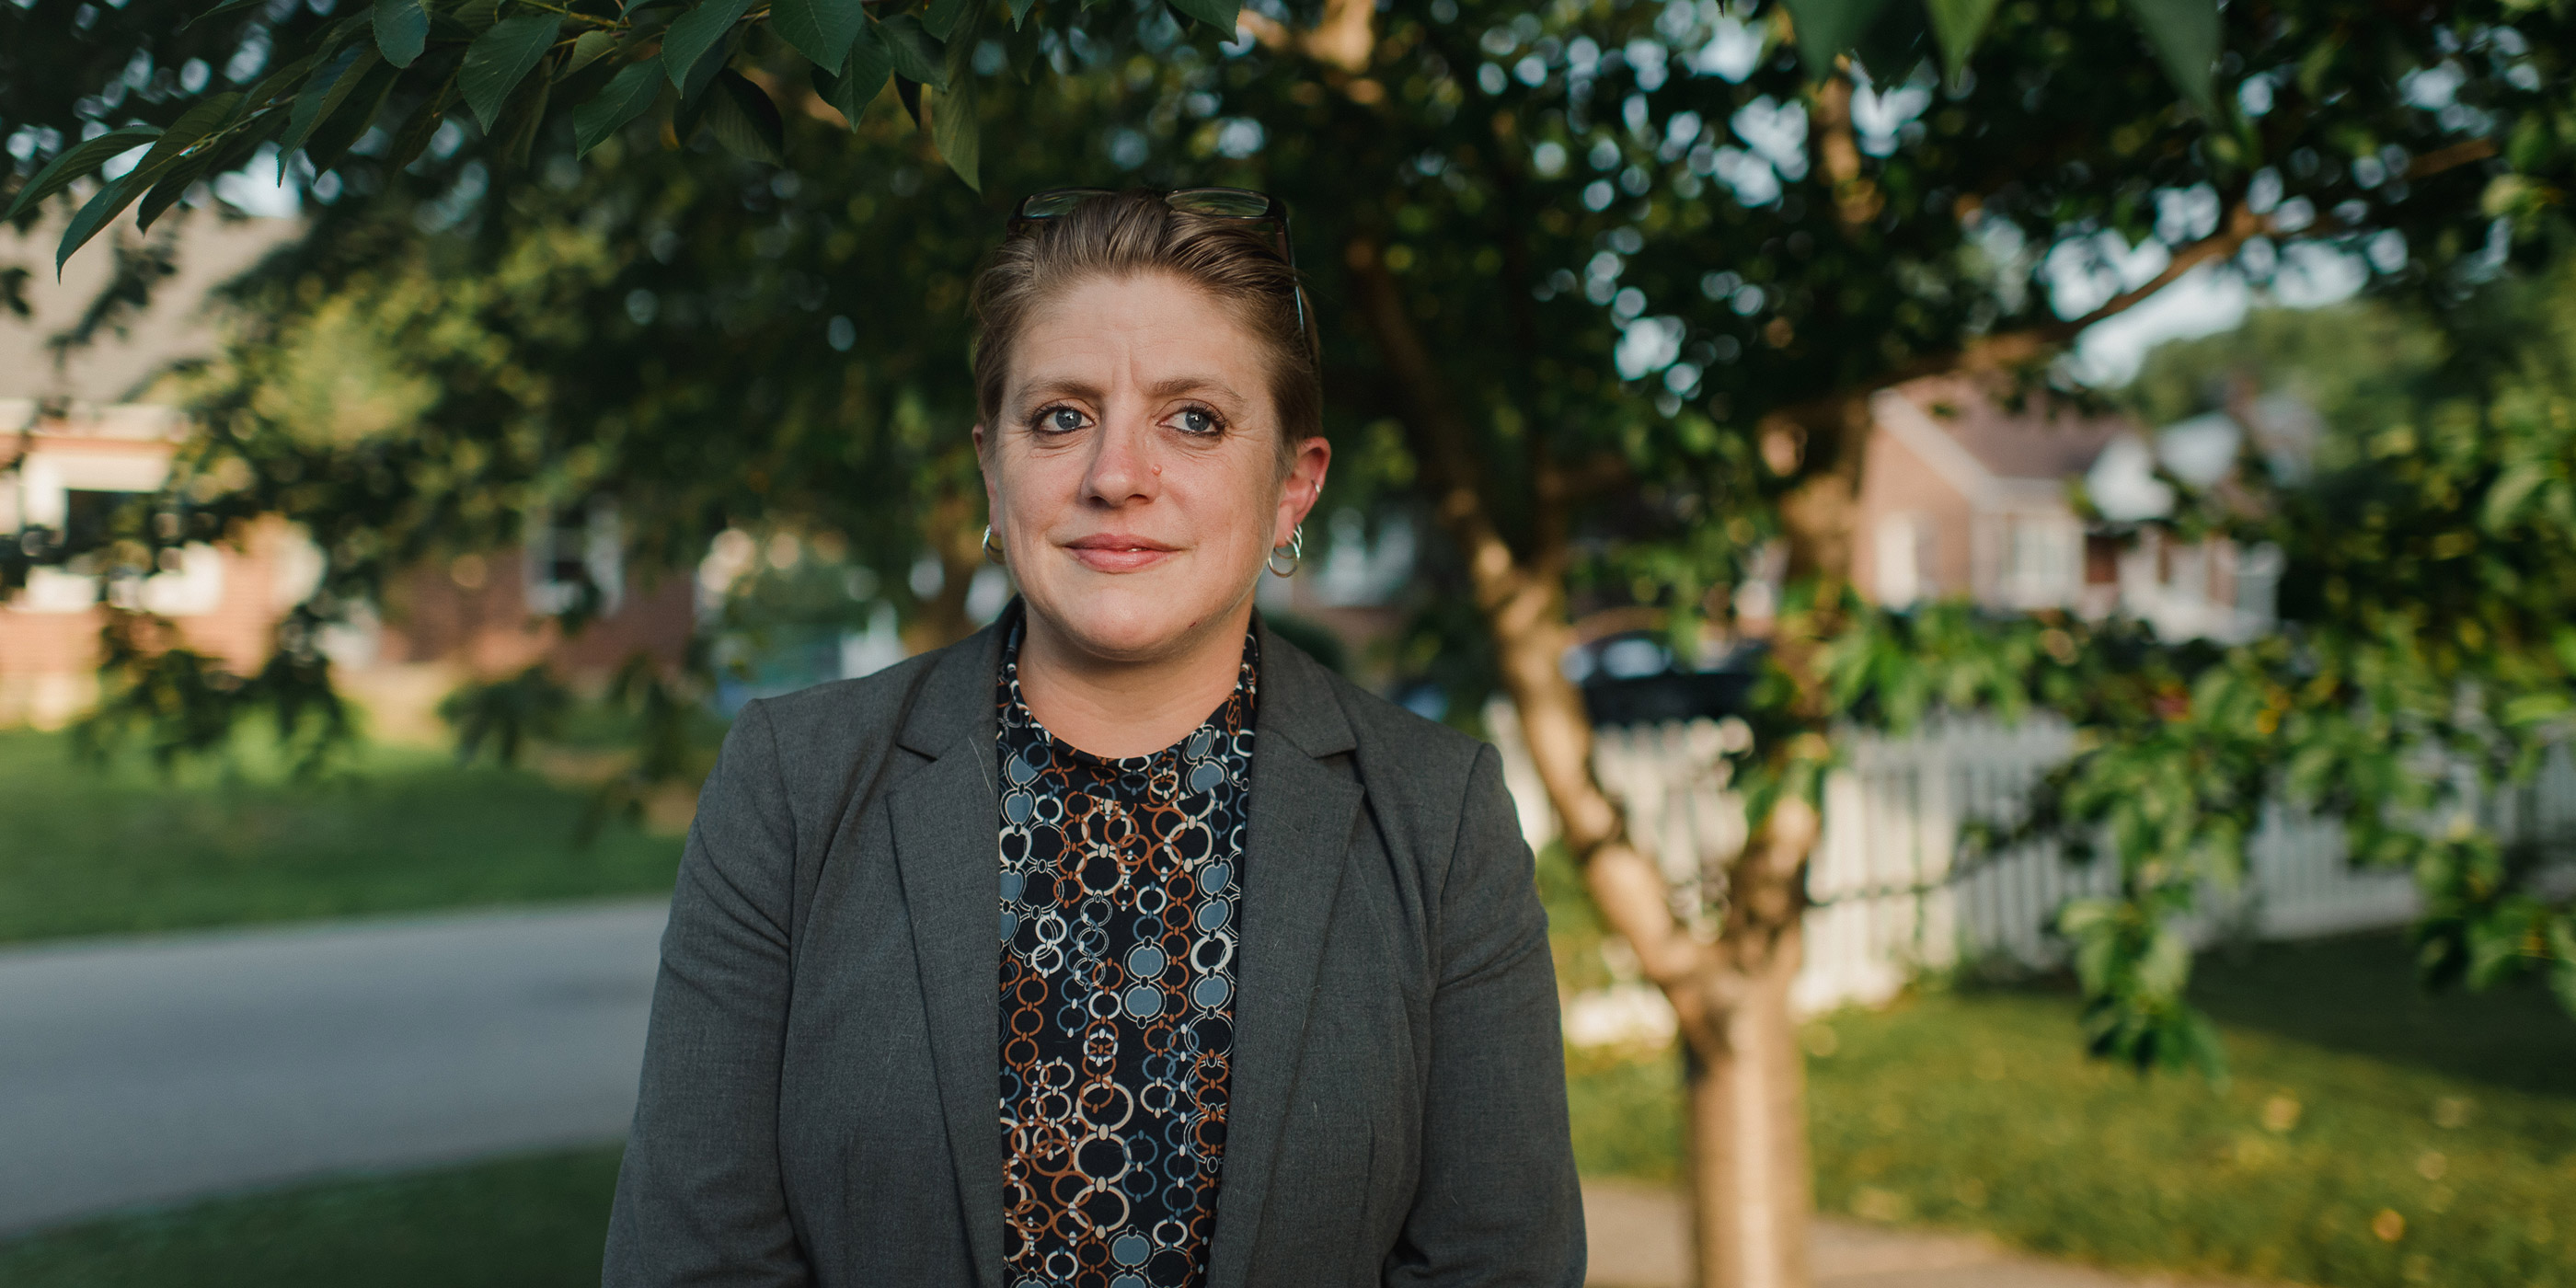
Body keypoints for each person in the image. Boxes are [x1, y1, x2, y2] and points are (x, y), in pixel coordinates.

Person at [604, 188, 1582, 1288]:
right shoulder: (792, 781)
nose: (1117, 474)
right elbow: (692, 1256)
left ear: (1291, 488)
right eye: (1061, 415)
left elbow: (1497, 1262)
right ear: (991, 465)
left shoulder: (1439, 816)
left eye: (1194, 419)